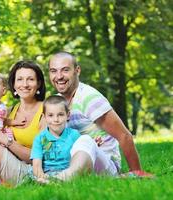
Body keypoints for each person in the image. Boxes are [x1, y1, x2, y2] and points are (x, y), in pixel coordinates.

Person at [47, 51, 153, 179]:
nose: (59, 76)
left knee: (85, 140)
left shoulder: (89, 98)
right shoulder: (56, 102)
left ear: (77, 71)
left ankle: (60, 179)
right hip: (74, 161)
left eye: (65, 70)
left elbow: (124, 136)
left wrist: (136, 173)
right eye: (53, 71)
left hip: (104, 164)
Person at [30, 95, 80, 184]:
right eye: (50, 115)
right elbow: (37, 166)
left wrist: (94, 143)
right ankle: (48, 183)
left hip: (68, 174)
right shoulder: (39, 139)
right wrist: (42, 177)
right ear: (44, 117)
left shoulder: (74, 135)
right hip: (46, 174)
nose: (56, 119)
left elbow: (82, 154)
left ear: (67, 115)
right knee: (33, 178)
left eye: (60, 115)